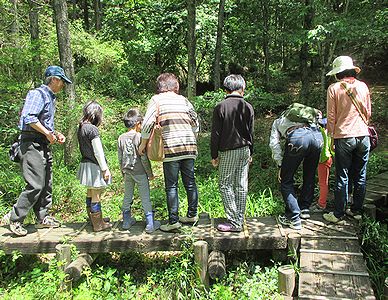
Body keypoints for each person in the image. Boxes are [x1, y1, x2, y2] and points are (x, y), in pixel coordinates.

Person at [3, 66, 71, 237]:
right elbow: (29, 117)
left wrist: (55, 134)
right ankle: (16, 219)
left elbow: (44, 124)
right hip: (30, 143)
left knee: (47, 182)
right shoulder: (38, 94)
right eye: (62, 81)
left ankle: (43, 218)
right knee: (35, 184)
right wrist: (48, 133)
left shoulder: (50, 98)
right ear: (54, 79)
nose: (63, 85)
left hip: (42, 144)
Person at [139, 73, 199, 232]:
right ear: (175, 86)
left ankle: (174, 222)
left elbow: (147, 123)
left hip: (171, 147)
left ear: (160, 87)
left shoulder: (156, 100)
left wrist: (142, 144)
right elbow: (196, 123)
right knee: (190, 182)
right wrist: (189, 136)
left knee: (171, 186)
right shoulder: (184, 100)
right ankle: (192, 215)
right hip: (189, 146)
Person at [323, 56, 371, 223]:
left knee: (342, 175)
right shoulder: (363, 86)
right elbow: (368, 112)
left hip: (344, 137)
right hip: (363, 136)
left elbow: (331, 116)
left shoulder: (334, 88)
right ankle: (356, 210)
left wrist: (330, 137)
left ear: (338, 73)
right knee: (360, 175)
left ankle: (338, 213)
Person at [210, 74, 254, 232]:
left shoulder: (221, 106)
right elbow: (251, 132)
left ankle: (234, 222)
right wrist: (251, 152)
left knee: (225, 184)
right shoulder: (248, 106)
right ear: (242, 88)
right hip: (245, 150)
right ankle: (239, 219)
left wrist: (214, 155)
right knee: (241, 185)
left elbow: (216, 134)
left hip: (228, 151)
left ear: (226, 89)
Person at [269, 108, 323, 230]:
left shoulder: (278, 122)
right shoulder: (306, 116)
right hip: (317, 137)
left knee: (286, 180)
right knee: (309, 175)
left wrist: (280, 164)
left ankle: (293, 217)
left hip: (298, 139)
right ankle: (304, 208)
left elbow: (274, 144)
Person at [118, 109, 161, 233]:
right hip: (140, 172)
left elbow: (120, 158)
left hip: (127, 172)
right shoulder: (139, 137)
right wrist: (150, 173)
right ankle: (150, 224)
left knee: (127, 196)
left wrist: (123, 172)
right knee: (145, 197)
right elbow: (144, 158)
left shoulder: (121, 138)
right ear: (137, 124)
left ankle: (126, 221)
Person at [77, 101, 112, 232]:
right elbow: (98, 151)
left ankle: (93, 220)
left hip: (85, 164)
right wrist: (104, 169)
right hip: (94, 166)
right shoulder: (92, 129)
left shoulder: (81, 127)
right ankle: (98, 224)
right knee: (96, 194)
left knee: (90, 192)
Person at [310, 117, 334, 212]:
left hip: (323, 159)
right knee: (323, 182)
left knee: (323, 183)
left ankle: (321, 204)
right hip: (327, 158)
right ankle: (321, 202)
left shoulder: (321, 132)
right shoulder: (329, 132)